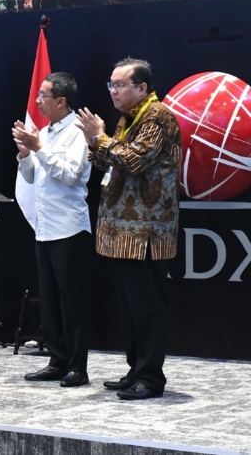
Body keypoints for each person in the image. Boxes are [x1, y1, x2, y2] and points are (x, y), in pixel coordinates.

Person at [76, 58, 181, 400]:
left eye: (120, 85)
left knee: (147, 308)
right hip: (122, 230)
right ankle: (136, 369)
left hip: (146, 232)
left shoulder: (158, 117)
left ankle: (151, 378)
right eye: (111, 85)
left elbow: (135, 160)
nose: (113, 91)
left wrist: (100, 138)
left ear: (142, 88)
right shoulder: (127, 119)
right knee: (129, 306)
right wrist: (97, 143)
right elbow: (109, 162)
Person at [13, 72, 92, 388]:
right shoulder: (44, 131)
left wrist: (39, 148)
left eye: (43, 96)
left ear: (61, 100)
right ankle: (57, 360)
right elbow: (32, 178)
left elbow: (71, 175)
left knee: (72, 302)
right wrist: (24, 152)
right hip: (44, 228)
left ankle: (78, 367)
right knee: (50, 301)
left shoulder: (78, 131)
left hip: (69, 228)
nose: (37, 101)